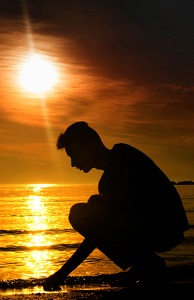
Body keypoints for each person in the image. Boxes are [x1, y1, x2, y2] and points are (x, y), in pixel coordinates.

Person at [43, 121, 189, 291]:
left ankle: (145, 264)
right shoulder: (106, 180)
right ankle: (144, 263)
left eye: (73, 155)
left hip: (166, 227)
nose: (73, 164)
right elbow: (107, 225)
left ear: (85, 147)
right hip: (152, 226)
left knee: (79, 212)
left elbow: (135, 205)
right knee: (92, 206)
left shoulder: (123, 155)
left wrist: (62, 273)